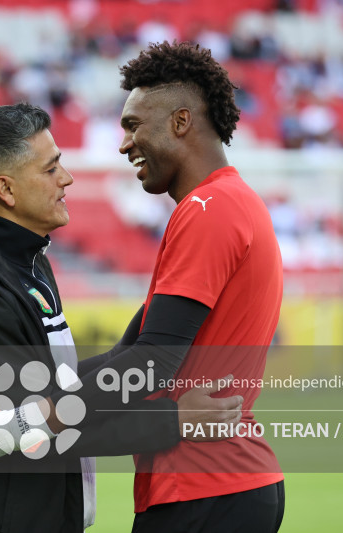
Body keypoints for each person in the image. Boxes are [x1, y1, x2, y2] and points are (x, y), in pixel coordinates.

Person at [0, 103, 242, 532]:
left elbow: (57, 393)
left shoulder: (29, 267)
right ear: (7, 190)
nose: (67, 179)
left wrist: (151, 329)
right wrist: (169, 423)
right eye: (51, 168)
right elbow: (20, 430)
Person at [114, 41, 285, 533]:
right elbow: (131, 351)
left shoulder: (208, 210)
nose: (124, 145)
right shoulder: (234, 202)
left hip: (203, 487)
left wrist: (38, 414)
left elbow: (151, 362)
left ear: (181, 122)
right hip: (224, 485)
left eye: (132, 125)